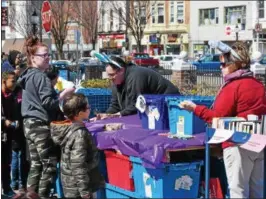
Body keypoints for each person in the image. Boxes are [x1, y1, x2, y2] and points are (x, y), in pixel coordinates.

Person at [179, 41, 266, 198]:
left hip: (238, 143)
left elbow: (217, 118)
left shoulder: (233, 87)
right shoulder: (258, 85)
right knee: (257, 191)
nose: (221, 67)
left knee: (238, 190)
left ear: (235, 64)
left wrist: (195, 108)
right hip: (259, 142)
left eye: (224, 64)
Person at [17, 36, 72, 198]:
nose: (48, 58)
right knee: (49, 165)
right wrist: (64, 94)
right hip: (39, 125)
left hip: (28, 124)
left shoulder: (27, 75)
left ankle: (30, 194)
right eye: (44, 55)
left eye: (49, 55)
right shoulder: (40, 77)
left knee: (36, 164)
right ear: (33, 58)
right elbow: (49, 102)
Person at [51, 93, 105, 198]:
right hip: (79, 189)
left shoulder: (68, 128)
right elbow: (78, 164)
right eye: (88, 107)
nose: (90, 109)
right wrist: (84, 191)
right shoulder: (79, 134)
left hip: (71, 184)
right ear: (80, 113)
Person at [96, 56, 180, 120]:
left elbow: (137, 104)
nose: (109, 78)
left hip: (168, 102)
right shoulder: (117, 81)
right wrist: (104, 116)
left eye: (111, 75)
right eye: (108, 75)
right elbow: (115, 105)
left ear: (121, 70)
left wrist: (117, 114)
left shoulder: (135, 76)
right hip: (153, 107)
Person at [1, 71, 18, 197]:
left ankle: (7, 189)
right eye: (12, 80)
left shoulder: (11, 96)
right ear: (4, 81)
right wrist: (3, 121)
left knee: (6, 163)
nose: (14, 83)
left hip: (7, 135)